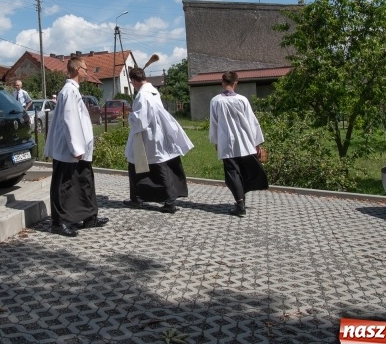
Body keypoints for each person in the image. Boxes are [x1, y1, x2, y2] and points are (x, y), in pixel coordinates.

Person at [43, 56, 108, 237]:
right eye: (85, 68)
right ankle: (59, 222)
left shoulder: (73, 90)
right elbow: (70, 120)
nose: (87, 72)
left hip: (79, 148)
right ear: (78, 69)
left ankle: (89, 217)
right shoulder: (69, 91)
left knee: (84, 181)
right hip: (70, 149)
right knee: (64, 184)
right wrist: (76, 148)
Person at [124, 67, 194, 213]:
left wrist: (129, 115)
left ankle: (162, 201)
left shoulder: (142, 95)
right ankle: (145, 198)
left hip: (147, 137)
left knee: (145, 165)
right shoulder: (154, 91)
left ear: (133, 81)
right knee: (158, 165)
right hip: (157, 133)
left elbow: (140, 120)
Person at [209, 71, 268, 217]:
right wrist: (257, 143)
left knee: (232, 172)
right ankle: (241, 201)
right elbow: (252, 122)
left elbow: (214, 123)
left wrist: (216, 142)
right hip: (245, 141)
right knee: (244, 171)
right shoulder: (242, 100)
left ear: (222, 82)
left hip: (226, 142)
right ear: (236, 83)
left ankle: (240, 203)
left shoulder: (216, 101)